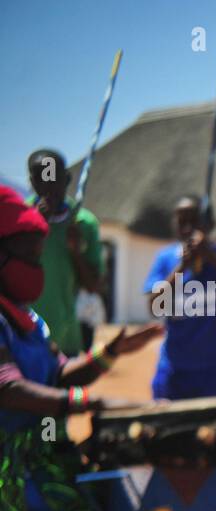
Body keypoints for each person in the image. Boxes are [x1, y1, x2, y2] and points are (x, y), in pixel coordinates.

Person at [0, 185, 161, 511]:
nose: (38, 266)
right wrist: (88, 403)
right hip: (9, 474)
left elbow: (58, 374)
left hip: (41, 465)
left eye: (39, 254)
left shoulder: (29, 319)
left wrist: (111, 353)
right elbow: (9, 389)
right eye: (27, 254)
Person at [142, 195, 216, 400]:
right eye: (181, 222)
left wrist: (211, 257)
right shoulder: (166, 258)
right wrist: (182, 267)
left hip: (212, 371)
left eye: (194, 221)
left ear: (210, 224)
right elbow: (154, 306)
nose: (187, 229)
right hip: (173, 370)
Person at [26, 149, 106, 356]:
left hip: (65, 339)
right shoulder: (17, 219)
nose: (48, 186)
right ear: (32, 182)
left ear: (67, 178)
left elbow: (94, 287)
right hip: (21, 337)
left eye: (53, 178)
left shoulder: (83, 224)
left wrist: (76, 252)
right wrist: (35, 227)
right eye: (42, 179)